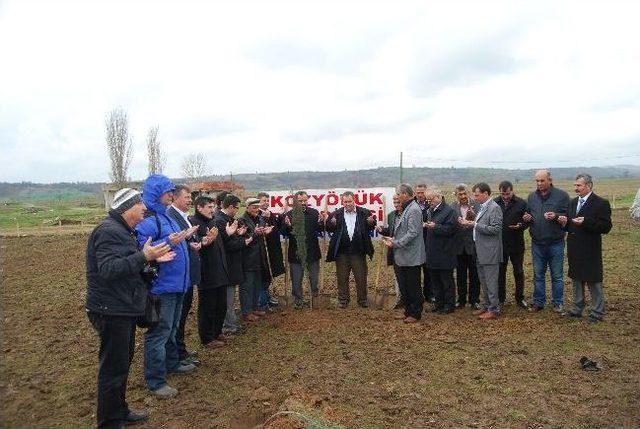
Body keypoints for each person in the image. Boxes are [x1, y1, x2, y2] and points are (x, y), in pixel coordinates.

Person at [86, 188, 175, 428]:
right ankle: (109, 421)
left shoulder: (124, 232)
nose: (145, 208)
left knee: (122, 362)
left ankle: (120, 410)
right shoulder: (108, 232)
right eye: (140, 205)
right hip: (110, 309)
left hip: (122, 306)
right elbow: (108, 269)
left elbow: (129, 266)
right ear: (128, 208)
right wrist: (144, 257)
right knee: (113, 367)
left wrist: (151, 259)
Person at [135, 174, 198, 399]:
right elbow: (144, 250)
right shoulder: (149, 221)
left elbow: (175, 240)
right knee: (159, 333)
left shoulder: (167, 217)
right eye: (168, 192)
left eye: (172, 191)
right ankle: (156, 380)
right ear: (156, 194)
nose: (172, 194)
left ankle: (172, 364)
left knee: (171, 329)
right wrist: (170, 241)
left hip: (177, 285)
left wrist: (184, 238)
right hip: (162, 287)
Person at [558, 174, 612, 323]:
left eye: (579, 186)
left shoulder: (601, 203)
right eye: (575, 185)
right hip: (574, 247)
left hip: (590, 249)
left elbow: (606, 227)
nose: (575, 188)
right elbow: (570, 224)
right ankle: (576, 309)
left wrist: (586, 222)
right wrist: (564, 222)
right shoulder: (573, 202)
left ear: (589, 185)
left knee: (593, 280)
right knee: (576, 279)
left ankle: (597, 312)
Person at [523, 170, 570, 312]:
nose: (539, 184)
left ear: (550, 180)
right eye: (537, 181)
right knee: (538, 275)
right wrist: (527, 218)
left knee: (557, 275)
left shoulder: (562, 196)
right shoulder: (531, 197)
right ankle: (539, 302)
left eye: (542, 181)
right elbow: (529, 214)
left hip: (556, 242)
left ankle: (557, 302)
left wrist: (556, 216)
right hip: (537, 243)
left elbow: (568, 215)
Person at [166, 184, 201, 365]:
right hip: (178, 276)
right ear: (175, 198)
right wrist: (189, 243)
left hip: (187, 274)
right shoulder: (170, 216)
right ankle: (177, 354)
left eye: (190, 198)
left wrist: (198, 242)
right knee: (177, 317)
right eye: (187, 197)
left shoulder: (183, 217)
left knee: (183, 314)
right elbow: (174, 243)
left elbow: (187, 240)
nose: (190, 201)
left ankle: (180, 350)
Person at [381, 184, 426, 323]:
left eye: (398, 194)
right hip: (401, 255)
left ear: (405, 194)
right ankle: (408, 311)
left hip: (411, 256)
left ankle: (415, 313)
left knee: (413, 285)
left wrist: (396, 243)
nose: (397, 197)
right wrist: (393, 239)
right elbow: (403, 231)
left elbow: (412, 233)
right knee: (404, 285)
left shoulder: (413, 209)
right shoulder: (406, 208)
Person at [190, 195, 230, 347]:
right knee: (208, 306)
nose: (212, 210)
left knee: (221, 304)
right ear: (199, 207)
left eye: (213, 207)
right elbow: (195, 244)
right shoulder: (194, 223)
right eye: (209, 207)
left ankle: (217, 331)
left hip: (220, 269)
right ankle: (207, 337)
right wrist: (205, 241)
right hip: (207, 272)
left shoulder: (212, 222)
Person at [460, 182, 503, 320]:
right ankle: (486, 305)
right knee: (483, 280)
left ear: (485, 194)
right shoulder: (482, 207)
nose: (475, 197)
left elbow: (495, 229)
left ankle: (494, 309)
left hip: (490, 251)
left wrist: (475, 224)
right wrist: (471, 220)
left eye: (477, 195)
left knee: (490, 282)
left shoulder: (494, 208)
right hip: (480, 250)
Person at [326, 191, 376, 308]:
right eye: (345, 202)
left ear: (354, 200)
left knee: (361, 277)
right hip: (342, 253)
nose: (348, 204)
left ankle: (362, 301)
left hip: (358, 252)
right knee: (342, 278)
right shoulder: (336, 214)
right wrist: (331, 224)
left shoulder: (364, 212)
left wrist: (371, 222)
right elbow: (328, 227)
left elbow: (371, 225)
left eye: (350, 201)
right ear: (342, 202)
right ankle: (343, 300)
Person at [282, 191, 327, 309]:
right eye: (300, 201)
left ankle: (314, 298)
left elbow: (320, 229)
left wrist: (322, 222)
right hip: (295, 254)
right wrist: (286, 225)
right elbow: (284, 233)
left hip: (312, 252)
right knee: (296, 280)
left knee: (314, 278)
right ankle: (298, 300)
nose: (303, 203)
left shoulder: (314, 213)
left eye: (305, 200)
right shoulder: (289, 215)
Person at [214, 194, 251, 331]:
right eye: (236, 208)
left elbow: (230, 239)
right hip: (227, 265)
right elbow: (227, 245)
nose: (237, 211)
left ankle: (231, 322)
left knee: (230, 296)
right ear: (230, 207)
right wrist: (243, 241)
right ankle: (229, 325)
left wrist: (239, 234)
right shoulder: (220, 221)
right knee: (228, 298)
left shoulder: (228, 219)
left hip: (233, 264)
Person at [495, 181, 529, 309]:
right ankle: (500, 299)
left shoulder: (521, 203)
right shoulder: (495, 203)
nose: (505, 196)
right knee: (500, 273)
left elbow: (528, 220)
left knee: (518, 272)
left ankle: (520, 299)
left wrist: (521, 225)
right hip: (500, 245)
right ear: (499, 192)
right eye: (503, 194)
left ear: (512, 190)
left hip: (516, 244)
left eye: (508, 194)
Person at [423, 187, 458, 314]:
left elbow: (451, 229)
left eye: (430, 199)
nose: (429, 202)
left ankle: (449, 305)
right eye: (427, 200)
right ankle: (439, 303)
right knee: (435, 280)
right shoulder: (430, 210)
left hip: (445, 252)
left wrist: (435, 226)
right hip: (432, 252)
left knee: (446, 281)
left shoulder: (450, 211)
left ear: (439, 197)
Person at [450, 184, 481, 309]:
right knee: (460, 275)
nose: (462, 196)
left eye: (464, 194)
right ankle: (461, 300)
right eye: (460, 194)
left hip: (473, 245)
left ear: (468, 193)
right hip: (458, 246)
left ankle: (474, 300)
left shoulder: (477, 205)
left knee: (475, 274)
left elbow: (482, 223)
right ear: (456, 195)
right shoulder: (452, 207)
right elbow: (451, 224)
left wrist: (473, 220)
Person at [256, 192, 286, 310]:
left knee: (269, 275)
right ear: (258, 202)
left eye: (267, 200)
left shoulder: (270, 214)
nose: (266, 203)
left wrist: (278, 216)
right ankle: (262, 303)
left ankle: (267, 297)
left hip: (272, 248)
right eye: (264, 200)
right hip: (263, 251)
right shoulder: (257, 215)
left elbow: (277, 228)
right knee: (264, 276)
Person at [239, 198, 266, 321]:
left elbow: (259, 235)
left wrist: (265, 231)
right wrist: (255, 233)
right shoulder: (242, 221)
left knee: (257, 284)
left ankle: (255, 307)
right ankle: (246, 311)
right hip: (247, 258)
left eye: (257, 207)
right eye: (254, 207)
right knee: (247, 286)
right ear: (247, 207)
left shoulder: (259, 219)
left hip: (259, 257)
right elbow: (243, 239)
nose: (256, 210)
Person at [377, 194, 404, 308]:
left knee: (407, 277)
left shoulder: (408, 214)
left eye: (399, 203)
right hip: (394, 250)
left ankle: (407, 298)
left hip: (406, 250)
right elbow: (390, 231)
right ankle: (399, 298)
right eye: (395, 203)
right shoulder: (391, 215)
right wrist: (382, 230)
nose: (397, 205)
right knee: (397, 276)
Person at [415, 183, 434, 303]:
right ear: (415, 193)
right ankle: (417, 295)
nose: (420, 195)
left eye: (422, 193)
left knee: (428, 271)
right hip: (415, 243)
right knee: (415, 271)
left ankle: (429, 294)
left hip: (428, 242)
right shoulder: (411, 205)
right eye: (418, 193)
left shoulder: (431, 205)